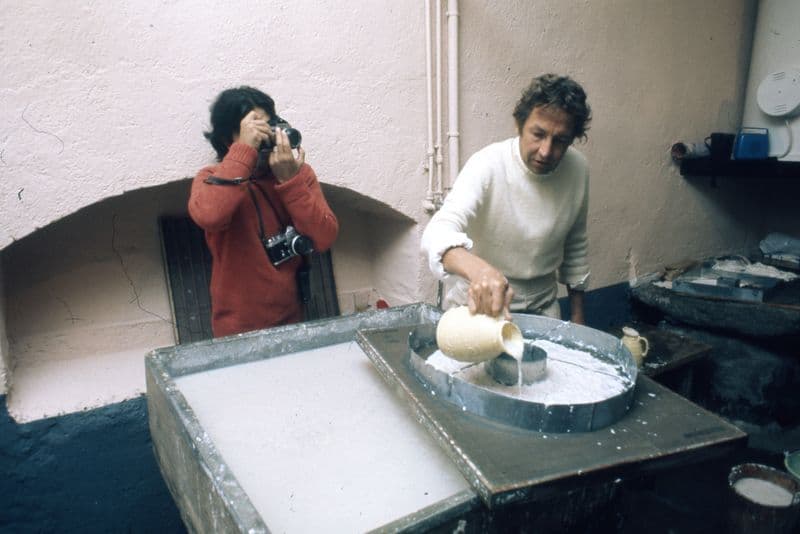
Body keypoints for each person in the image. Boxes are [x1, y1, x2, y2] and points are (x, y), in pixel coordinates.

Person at [421, 74, 592, 324]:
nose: (546, 151)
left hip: (542, 309)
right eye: (538, 134)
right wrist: (480, 271)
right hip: (478, 307)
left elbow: (576, 247)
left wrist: (578, 323)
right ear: (518, 125)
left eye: (560, 140)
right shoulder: (487, 164)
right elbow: (436, 232)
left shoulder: (578, 169)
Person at [189, 86, 339, 337]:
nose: (266, 138)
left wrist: (290, 182)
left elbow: (325, 237)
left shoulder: (298, 175)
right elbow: (209, 215)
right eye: (255, 131)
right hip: (237, 329)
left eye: (269, 127)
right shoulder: (212, 179)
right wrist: (244, 153)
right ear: (230, 140)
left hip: (294, 319)